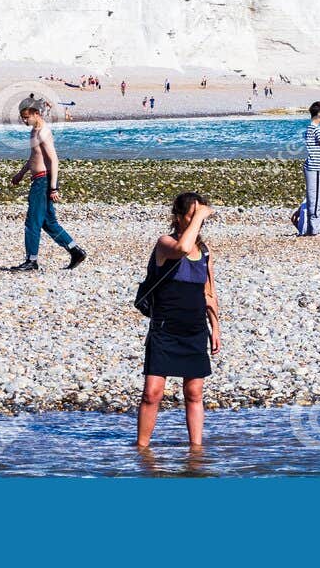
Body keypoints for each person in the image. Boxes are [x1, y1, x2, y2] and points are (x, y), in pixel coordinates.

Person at [136, 192, 220, 448]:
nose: (198, 220)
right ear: (178, 217)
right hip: (165, 328)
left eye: (200, 215)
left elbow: (209, 293)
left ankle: (196, 450)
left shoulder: (204, 251)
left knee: (194, 393)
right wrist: (201, 215)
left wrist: (215, 328)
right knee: (153, 393)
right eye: (191, 215)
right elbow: (183, 248)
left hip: (194, 329)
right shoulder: (165, 243)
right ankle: (142, 449)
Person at [8, 96, 88, 271]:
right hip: (38, 179)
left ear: (36, 114)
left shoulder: (43, 132)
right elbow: (34, 157)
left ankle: (31, 260)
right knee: (48, 222)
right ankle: (75, 251)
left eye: (26, 117)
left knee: (32, 222)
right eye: (22, 117)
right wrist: (21, 174)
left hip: (43, 181)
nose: (24, 120)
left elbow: (54, 160)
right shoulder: (34, 131)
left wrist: (54, 187)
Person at [300, 102, 320, 237]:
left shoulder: (309, 128)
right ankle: (314, 230)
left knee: (312, 197)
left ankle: (310, 229)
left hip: (313, 166)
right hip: (316, 166)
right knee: (316, 198)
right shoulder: (316, 129)